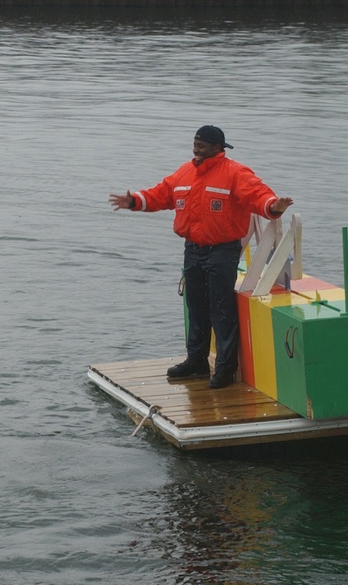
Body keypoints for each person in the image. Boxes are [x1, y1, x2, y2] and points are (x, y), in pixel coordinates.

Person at [109, 125, 294, 388]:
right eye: (195, 143)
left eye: (202, 145)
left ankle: (225, 369)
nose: (196, 148)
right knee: (196, 308)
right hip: (193, 249)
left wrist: (273, 207)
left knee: (221, 310)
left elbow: (257, 195)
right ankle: (196, 361)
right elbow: (162, 194)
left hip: (222, 251)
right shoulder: (185, 172)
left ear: (218, 147)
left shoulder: (235, 173)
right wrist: (135, 201)